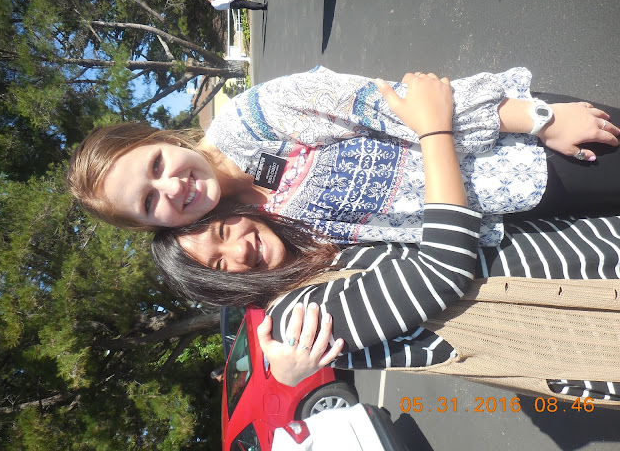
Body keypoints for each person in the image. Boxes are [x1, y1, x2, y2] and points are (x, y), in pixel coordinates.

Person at [150, 77, 620, 403]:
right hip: (579, 299)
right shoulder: (297, 320)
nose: (238, 250)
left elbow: (386, 104)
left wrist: (535, 116)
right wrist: (435, 132)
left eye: (223, 231)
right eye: (219, 266)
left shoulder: (297, 232)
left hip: (536, 188)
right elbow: (441, 269)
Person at [66, 67, 620, 248]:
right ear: (151, 225)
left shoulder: (255, 118)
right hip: (508, 232)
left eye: (155, 166)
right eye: (148, 202)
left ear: (165, 139)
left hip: (520, 156)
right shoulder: (236, 235)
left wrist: (538, 118)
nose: (170, 188)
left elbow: (397, 108)